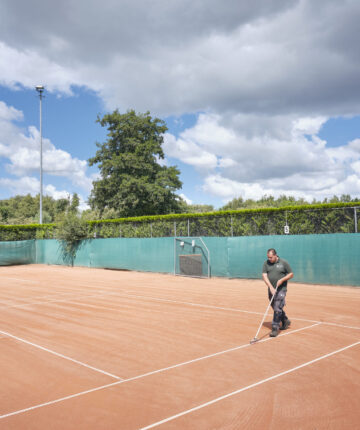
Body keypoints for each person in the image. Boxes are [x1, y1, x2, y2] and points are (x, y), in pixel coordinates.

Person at [262, 248, 294, 338]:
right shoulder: (266, 263)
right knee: (276, 307)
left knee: (277, 307)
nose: (269, 259)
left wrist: (282, 280)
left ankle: (275, 328)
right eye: (268, 257)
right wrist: (271, 288)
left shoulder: (283, 262)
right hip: (271, 289)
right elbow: (264, 276)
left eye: (271, 257)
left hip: (281, 289)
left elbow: (291, 274)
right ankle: (285, 320)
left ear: (276, 255)